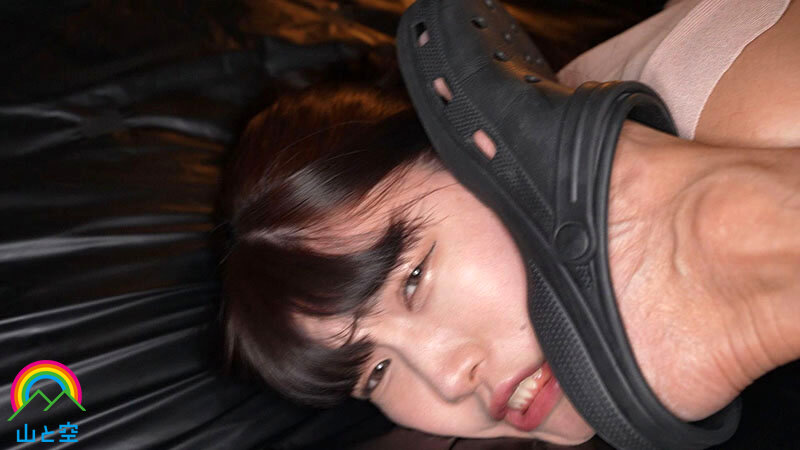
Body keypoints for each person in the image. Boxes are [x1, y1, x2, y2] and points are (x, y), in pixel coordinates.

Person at [216, 0, 799, 446]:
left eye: (413, 278)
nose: (449, 380)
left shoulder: (736, 100)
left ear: (472, 141)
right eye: (375, 374)